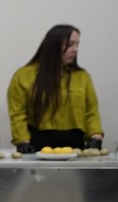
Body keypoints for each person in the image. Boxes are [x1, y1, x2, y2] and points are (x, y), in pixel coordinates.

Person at [7, 24, 103, 153]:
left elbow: (91, 111)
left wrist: (96, 136)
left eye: (77, 44)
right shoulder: (23, 76)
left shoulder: (82, 76)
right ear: (53, 46)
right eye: (70, 44)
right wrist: (22, 141)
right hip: (37, 147)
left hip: (75, 147)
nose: (75, 50)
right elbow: (17, 113)